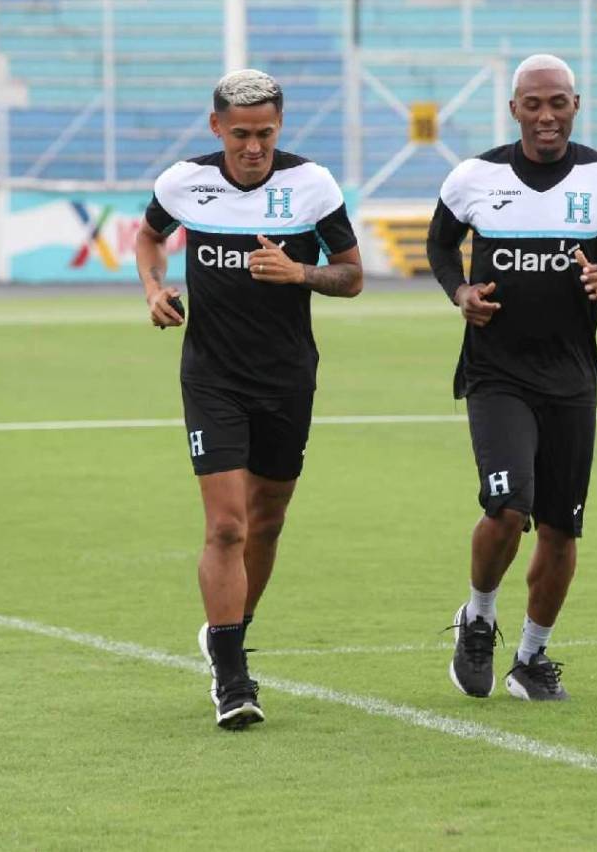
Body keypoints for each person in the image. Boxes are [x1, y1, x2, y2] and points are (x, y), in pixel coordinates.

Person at [136, 69, 363, 730]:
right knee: (227, 524)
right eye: (240, 135)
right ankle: (232, 677)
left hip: (287, 376)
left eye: (265, 134)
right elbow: (149, 237)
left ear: (280, 128)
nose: (253, 147)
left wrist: (300, 272)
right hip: (212, 376)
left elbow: (352, 275)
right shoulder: (185, 182)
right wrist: (153, 288)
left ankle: (228, 628)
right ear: (216, 129)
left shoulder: (311, 186)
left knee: (266, 519)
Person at [426, 53, 597, 702]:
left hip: (573, 379)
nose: (545, 116)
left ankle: (530, 659)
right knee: (507, 505)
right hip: (497, 373)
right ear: (514, 109)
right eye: (533, 103)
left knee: (560, 528)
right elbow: (441, 247)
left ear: (575, 105)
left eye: (557, 103)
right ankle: (479, 616)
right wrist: (459, 291)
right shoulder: (475, 176)